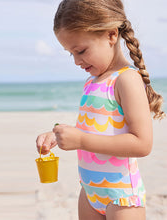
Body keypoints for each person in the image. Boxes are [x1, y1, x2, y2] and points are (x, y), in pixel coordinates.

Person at [36, 0, 165, 219]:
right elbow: (95, 129)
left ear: (111, 35)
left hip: (121, 197)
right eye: (71, 53)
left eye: (81, 51)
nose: (77, 61)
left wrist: (82, 141)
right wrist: (57, 135)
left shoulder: (126, 79)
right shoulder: (91, 81)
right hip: (89, 191)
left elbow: (142, 144)